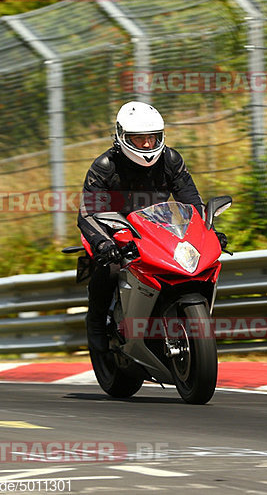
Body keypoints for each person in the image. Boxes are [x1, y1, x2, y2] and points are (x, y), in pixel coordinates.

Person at [77, 101, 228, 352]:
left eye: (152, 137)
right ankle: (97, 328)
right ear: (122, 137)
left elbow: (192, 202)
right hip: (115, 229)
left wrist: (208, 233)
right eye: (139, 139)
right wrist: (104, 244)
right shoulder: (104, 167)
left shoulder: (170, 159)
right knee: (109, 268)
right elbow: (88, 214)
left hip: (159, 226)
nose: (147, 144)